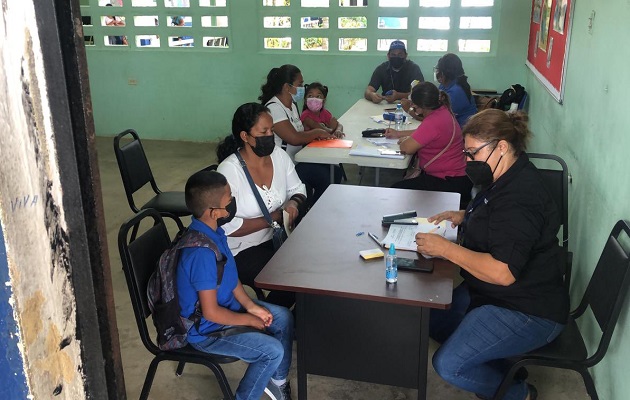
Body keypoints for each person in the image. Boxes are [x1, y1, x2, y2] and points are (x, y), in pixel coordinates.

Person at [415, 109, 569, 400]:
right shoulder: (507, 174)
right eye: (465, 152)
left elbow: (503, 272)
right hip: (494, 294)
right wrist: (464, 216)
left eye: (472, 153)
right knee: (433, 318)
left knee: (449, 366)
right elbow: (495, 215)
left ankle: (518, 392)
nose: (467, 161)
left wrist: (447, 249)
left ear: (501, 146)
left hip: (528, 310)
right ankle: (500, 363)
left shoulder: (521, 197)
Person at [177, 170, 294, 400]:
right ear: (213, 212)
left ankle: (277, 383)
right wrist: (249, 320)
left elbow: (231, 280)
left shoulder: (214, 232)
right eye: (228, 200)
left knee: (282, 317)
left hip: (225, 309)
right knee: (271, 351)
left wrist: (251, 307)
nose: (232, 203)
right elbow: (210, 312)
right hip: (206, 330)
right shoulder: (200, 254)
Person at [216, 103, 308, 308]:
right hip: (241, 249)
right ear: (245, 136)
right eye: (263, 132)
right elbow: (226, 226)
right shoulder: (229, 172)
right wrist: (274, 217)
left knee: (309, 269)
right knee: (294, 280)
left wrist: (293, 203)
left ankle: (291, 319)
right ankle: (267, 319)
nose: (270, 136)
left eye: (272, 130)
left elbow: (298, 189)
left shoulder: (278, 156)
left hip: (276, 239)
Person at [259, 64, 341, 206]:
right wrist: (317, 132)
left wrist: (320, 133)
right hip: (285, 164)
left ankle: (315, 208)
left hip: (299, 158)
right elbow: (294, 138)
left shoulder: (291, 105)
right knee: (325, 177)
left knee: (336, 170)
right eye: (300, 84)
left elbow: (302, 133)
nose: (302, 88)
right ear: (287, 87)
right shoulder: (274, 108)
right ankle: (314, 210)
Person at [385, 82, 472, 209]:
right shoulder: (442, 111)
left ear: (419, 107)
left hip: (448, 181)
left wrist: (406, 140)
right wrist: (399, 133)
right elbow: (423, 132)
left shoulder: (433, 122)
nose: (412, 106)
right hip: (459, 178)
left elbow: (406, 148)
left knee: (395, 191)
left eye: (413, 104)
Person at [364, 40, 424, 104]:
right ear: (388, 56)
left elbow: (420, 93)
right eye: (393, 54)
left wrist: (398, 96)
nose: (396, 57)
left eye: (400, 54)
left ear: (406, 56)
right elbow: (368, 91)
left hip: (409, 105)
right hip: (386, 105)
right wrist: (372, 95)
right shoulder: (382, 68)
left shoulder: (414, 68)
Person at [434, 53, 478, 127]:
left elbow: (440, 116)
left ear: (444, 73)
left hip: (462, 131)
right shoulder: (445, 85)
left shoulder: (457, 91)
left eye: (439, 70)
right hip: (451, 125)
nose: (437, 73)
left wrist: (414, 112)